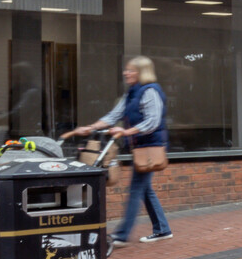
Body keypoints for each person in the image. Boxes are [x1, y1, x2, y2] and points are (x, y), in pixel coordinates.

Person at [70, 56, 172, 247]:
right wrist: (91, 127)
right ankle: (162, 229)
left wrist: (126, 131)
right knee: (145, 189)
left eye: (131, 70)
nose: (126, 73)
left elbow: (152, 121)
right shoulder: (132, 93)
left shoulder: (150, 91)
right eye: (126, 70)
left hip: (149, 148)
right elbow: (113, 115)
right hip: (139, 148)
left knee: (135, 189)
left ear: (142, 72)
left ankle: (122, 235)